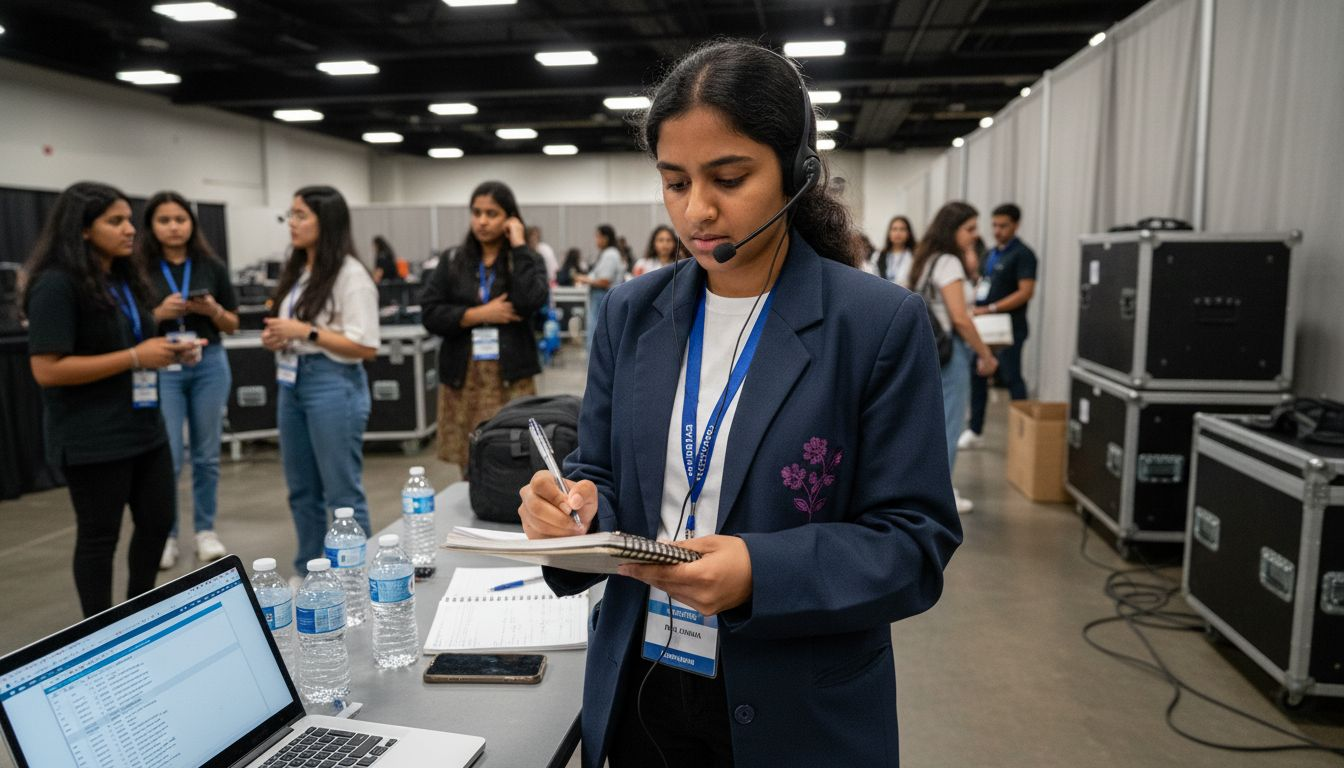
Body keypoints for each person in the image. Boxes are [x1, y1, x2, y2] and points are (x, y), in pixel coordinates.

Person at [516, 41, 961, 767]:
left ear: (796, 171)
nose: (698, 210)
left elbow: (914, 543)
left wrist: (760, 570)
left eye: (728, 178)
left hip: (795, 709)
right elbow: (597, 472)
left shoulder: (875, 324)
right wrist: (571, 514)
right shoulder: (632, 313)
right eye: (674, 181)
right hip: (639, 689)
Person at [23, 181, 201, 616]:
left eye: (128, 220)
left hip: (144, 427)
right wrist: (136, 356)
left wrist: (167, 352)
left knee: (158, 522)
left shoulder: (120, 278)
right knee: (100, 538)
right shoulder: (56, 284)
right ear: (82, 229)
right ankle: (99, 632)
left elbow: (130, 340)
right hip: (92, 435)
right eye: (115, 221)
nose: (129, 230)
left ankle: (140, 613)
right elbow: (46, 369)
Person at [262, 186, 379, 576]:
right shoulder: (300, 270)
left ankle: (354, 579)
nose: (292, 224)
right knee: (301, 492)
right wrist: (282, 336)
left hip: (333, 382)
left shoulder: (350, 274)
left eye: (300, 215)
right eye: (290, 215)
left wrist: (305, 331)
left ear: (325, 221)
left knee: (341, 493)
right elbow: (299, 329)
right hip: (292, 380)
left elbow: (365, 346)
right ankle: (311, 575)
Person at [419, 181, 549, 473]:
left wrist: (518, 245)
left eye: (492, 213)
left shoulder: (526, 259)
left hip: (510, 376)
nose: (482, 220)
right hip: (464, 376)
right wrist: (479, 314)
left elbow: (530, 300)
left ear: (510, 218)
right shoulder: (453, 260)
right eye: (477, 212)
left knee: (515, 454)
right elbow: (430, 313)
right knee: (470, 460)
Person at [140, 191, 240, 569]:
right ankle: (165, 534)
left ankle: (205, 530)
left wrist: (213, 309)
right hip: (163, 362)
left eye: (180, 219)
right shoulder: (139, 269)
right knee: (168, 456)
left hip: (208, 361)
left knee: (206, 454)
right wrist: (159, 312)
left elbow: (233, 324)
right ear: (151, 226)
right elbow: (130, 325)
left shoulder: (210, 265)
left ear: (191, 224)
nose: (173, 227)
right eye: (164, 220)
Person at [907, 201, 999, 514]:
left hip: (930, 348)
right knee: (949, 422)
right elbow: (960, 318)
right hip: (951, 351)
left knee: (931, 422)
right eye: (969, 228)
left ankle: (928, 489)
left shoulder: (927, 259)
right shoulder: (948, 262)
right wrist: (985, 354)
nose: (975, 235)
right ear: (952, 229)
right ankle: (941, 494)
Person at [961, 203, 1038, 450]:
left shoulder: (1023, 254)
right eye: (994, 225)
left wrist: (992, 308)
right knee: (979, 374)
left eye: (1003, 225)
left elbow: (1026, 292)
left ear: (1015, 225)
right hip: (984, 326)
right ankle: (975, 430)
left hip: (1009, 327)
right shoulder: (990, 254)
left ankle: (1022, 433)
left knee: (1012, 376)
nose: (997, 230)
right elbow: (981, 282)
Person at [573, 224, 625, 351]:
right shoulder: (606, 254)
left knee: (599, 339)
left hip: (603, 299)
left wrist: (582, 278)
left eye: (598, 237)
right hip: (600, 301)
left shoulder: (610, 255)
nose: (596, 240)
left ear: (605, 238)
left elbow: (604, 281)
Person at [873, 215, 917, 283]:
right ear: (889, 233)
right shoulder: (879, 255)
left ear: (908, 233)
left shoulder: (914, 256)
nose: (898, 233)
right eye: (894, 229)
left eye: (902, 229)